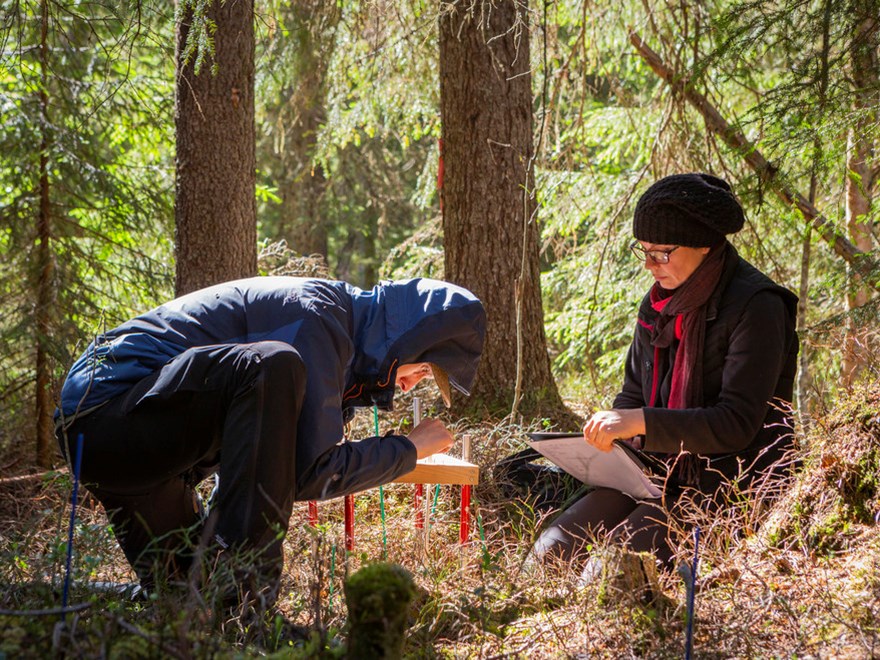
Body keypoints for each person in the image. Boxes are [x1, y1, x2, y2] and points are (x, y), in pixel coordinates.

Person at [55, 276, 486, 608]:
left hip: (132, 453)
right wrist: (408, 450)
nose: (411, 387)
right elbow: (307, 471)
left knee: (191, 598)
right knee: (271, 364)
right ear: (407, 340)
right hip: (108, 415)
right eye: (424, 370)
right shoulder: (321, 320)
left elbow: (259, 456)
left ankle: (44, 594)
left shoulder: (340, 346)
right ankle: (252, 602)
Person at [531, 173, 799, 571]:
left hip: (729, 486)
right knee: (549, 556)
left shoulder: (757, 307)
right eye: (644, 252)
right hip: (652, 476)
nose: (650, 266)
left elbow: (737, 424)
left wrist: (638, 421)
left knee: (608, 570)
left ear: (704, 244)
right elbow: (633, 394)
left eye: (662, 253)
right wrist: (612, 441)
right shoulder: (657, 306)